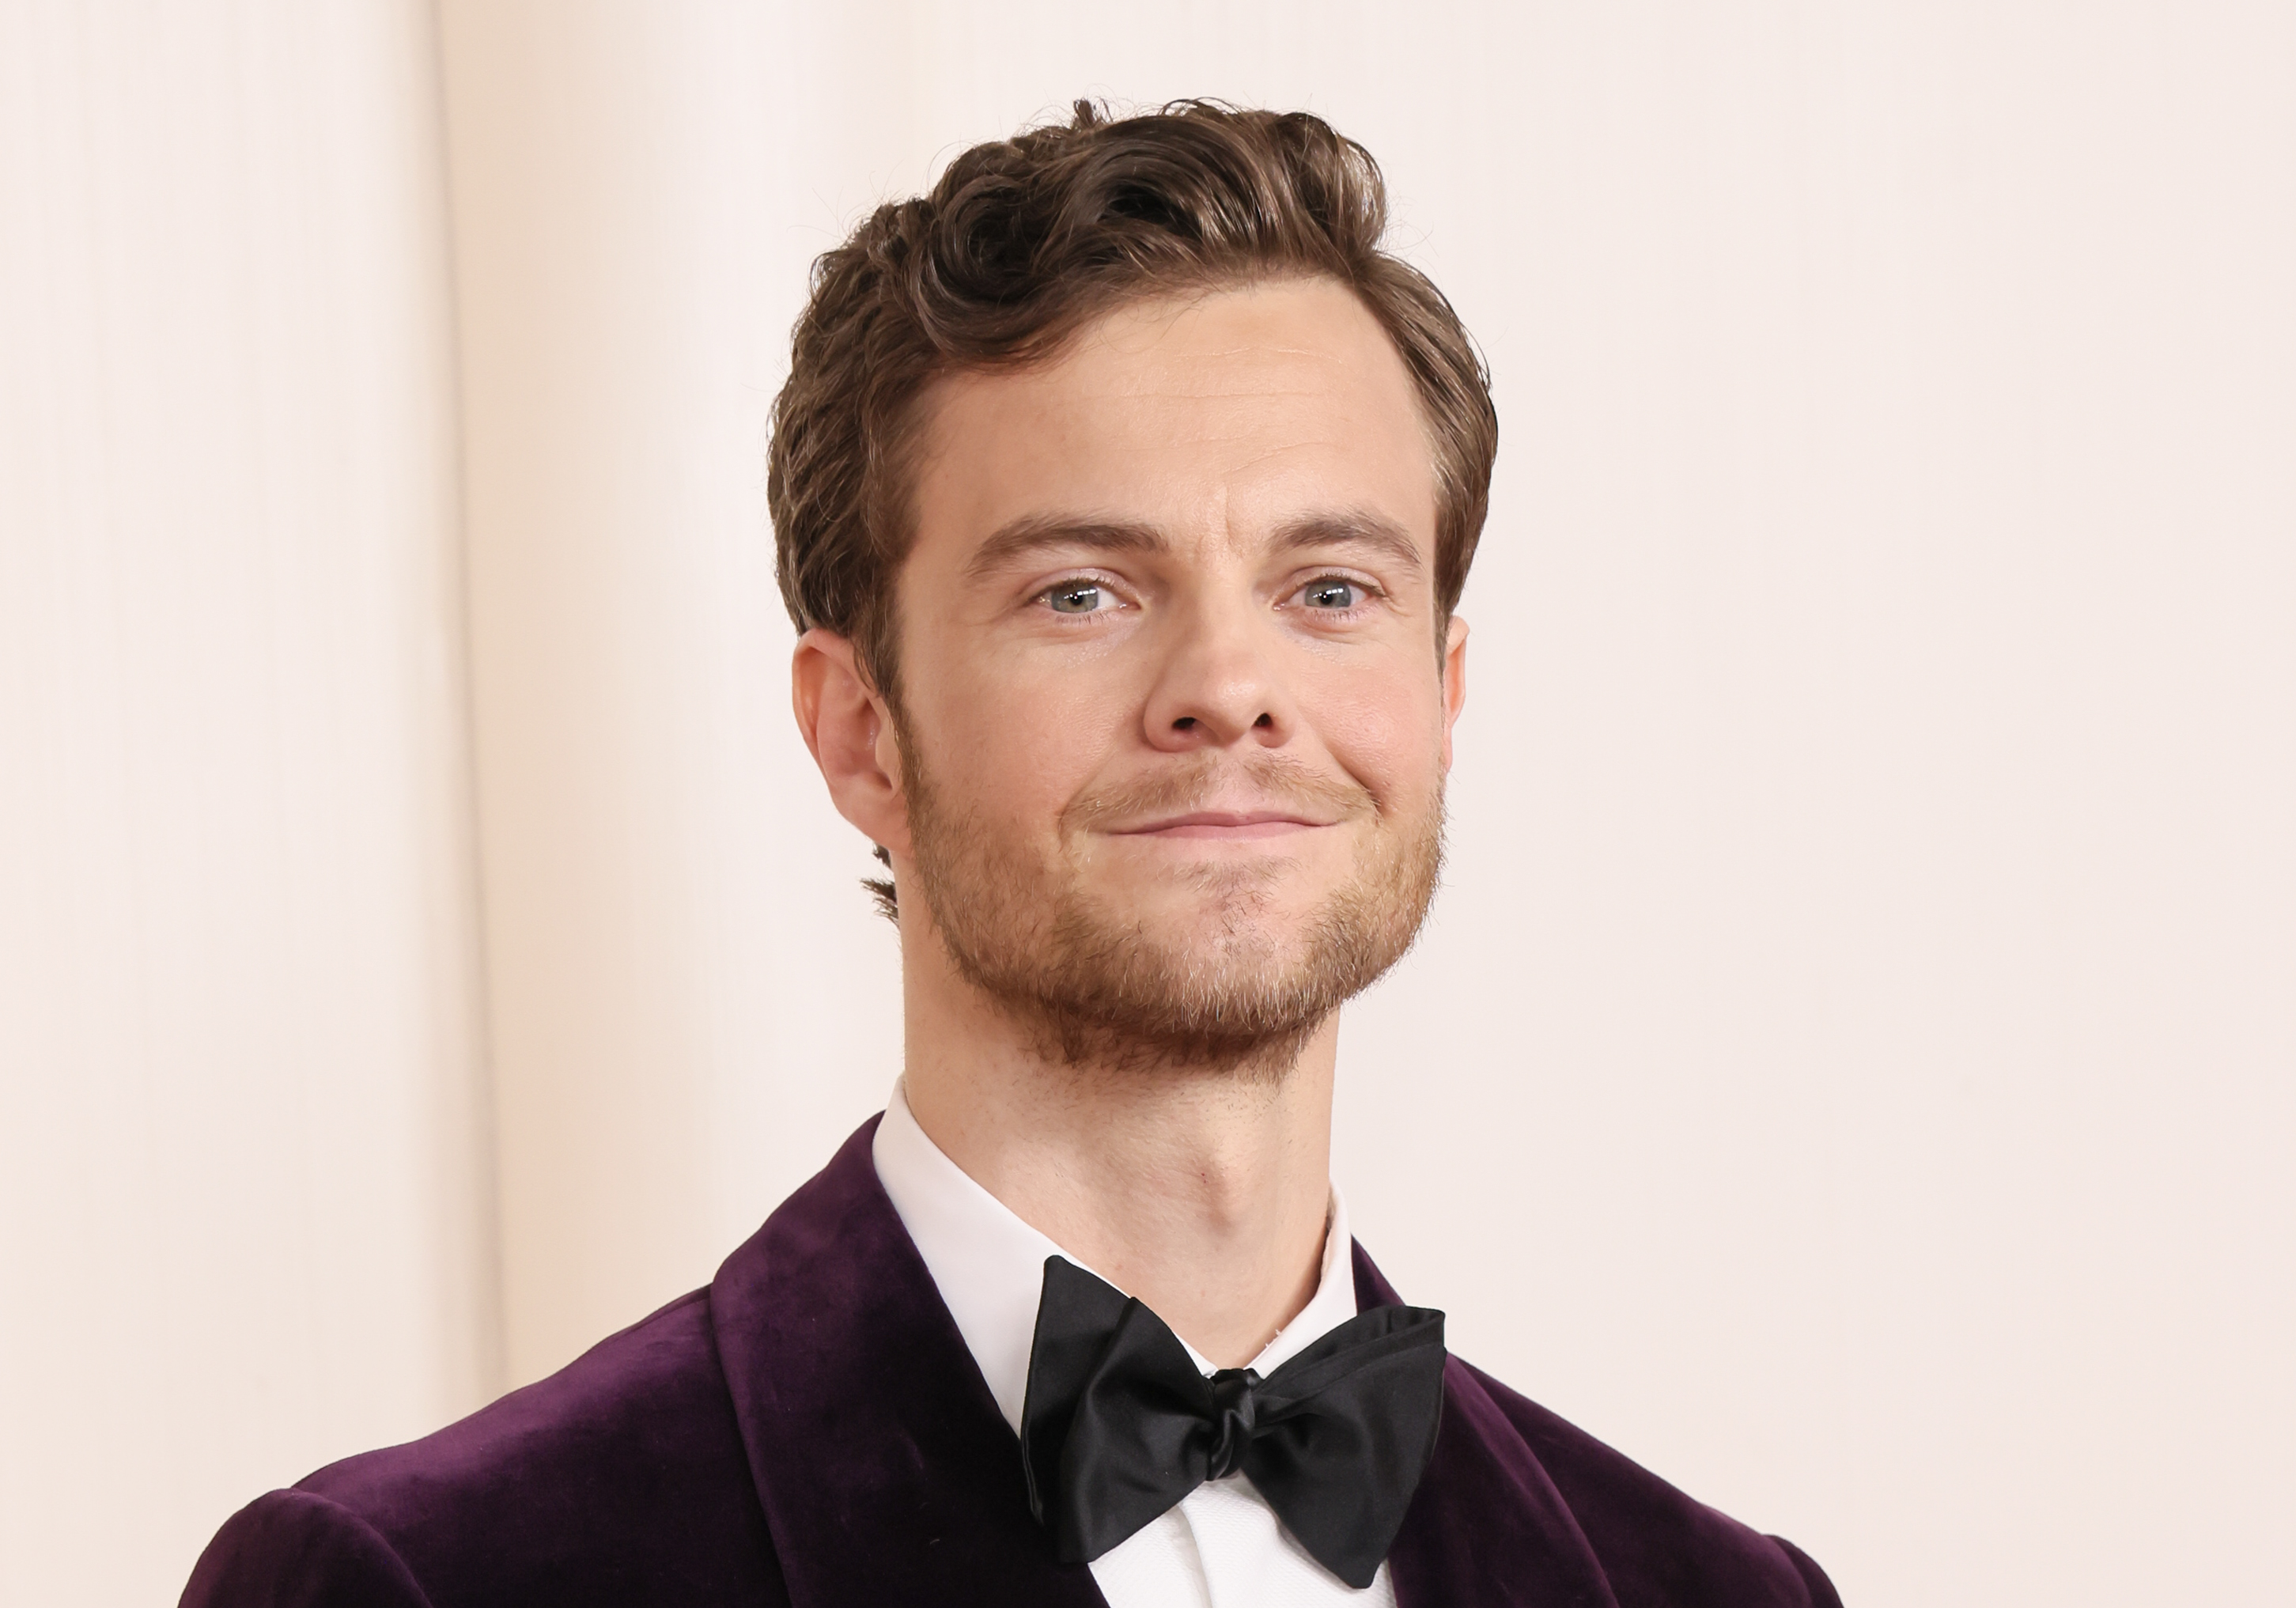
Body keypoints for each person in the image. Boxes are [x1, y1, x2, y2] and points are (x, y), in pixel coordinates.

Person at [183, 100, 1840, 1608]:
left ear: (1442, 694)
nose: (1229, 691)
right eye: (1081, 593)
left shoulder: (1720, 1596)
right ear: (861, 734)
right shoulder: (421, 1586)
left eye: (1329, 589)